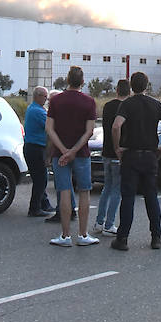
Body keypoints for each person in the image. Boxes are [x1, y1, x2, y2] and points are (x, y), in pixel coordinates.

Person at [110, 71, 161, 251]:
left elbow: (116, 126)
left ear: (131, 86)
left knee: (128, 197)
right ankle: (156, 237)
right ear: (147, 85)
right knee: (151, 196)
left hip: (131, 154)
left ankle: (122, 238)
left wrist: (117, 148)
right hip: (150, 155)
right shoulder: (155, 104)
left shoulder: (127, 104)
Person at [46, 66, 98, 247]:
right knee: (84, 191)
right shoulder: (89, 102)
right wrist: (74, 151)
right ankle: (83, 234)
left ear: (67, 80)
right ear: (82, 82)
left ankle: (65, 235)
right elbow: (89, 131)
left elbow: (49, 129)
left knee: (64, 191)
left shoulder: (56, 101)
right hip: (81, 154)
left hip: (59, 154)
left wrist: (63, 151)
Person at [93, 79, 129, 236]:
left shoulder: (107, 106)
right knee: (117, 190)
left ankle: (99, 222)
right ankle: (110, 224)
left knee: (106, 188)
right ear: (129, 92)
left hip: (106, 151)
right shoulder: (127, 107)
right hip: (118, 152)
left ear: (117, 90)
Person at [22, 87, 55, 217]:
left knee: (41, 177)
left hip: (32, 147)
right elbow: (50, 126)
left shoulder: (34, 108)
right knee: (40, 179)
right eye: (44, 96)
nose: (46, 99)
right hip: (35, 148)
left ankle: (44, 204)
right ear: (38, 96)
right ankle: (34, 207)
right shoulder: (38, 111)